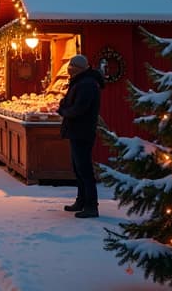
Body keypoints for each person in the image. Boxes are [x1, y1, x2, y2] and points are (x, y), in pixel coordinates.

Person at [57, 54, 104, 219]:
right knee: (78, 168)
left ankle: (91, 205)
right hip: (76, 130)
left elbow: (78, 109)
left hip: (82, 131)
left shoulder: (87, 85)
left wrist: (63, 111)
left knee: (84, 169)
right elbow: (68, 103)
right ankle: (81, 200)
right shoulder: (79, 82)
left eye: (71, 67)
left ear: (77, 69)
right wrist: (64, 107)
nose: (69, 70)